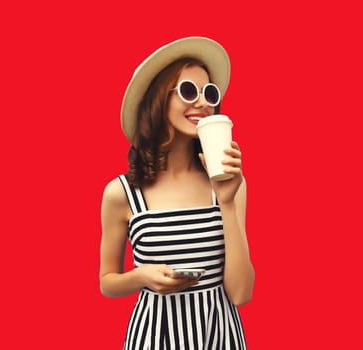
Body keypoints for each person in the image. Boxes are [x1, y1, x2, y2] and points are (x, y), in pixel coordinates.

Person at [99, 36, 254, 349]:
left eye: (209, 93)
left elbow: (241, 293)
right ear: (159, 100)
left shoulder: (229, 186)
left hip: (220, 336)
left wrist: (226, 202)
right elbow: (107, 282)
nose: (203, 103)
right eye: (188, 90)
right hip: (154, 337)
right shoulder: (121, 193)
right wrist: (141, 277)